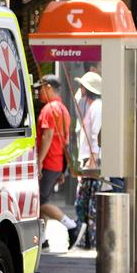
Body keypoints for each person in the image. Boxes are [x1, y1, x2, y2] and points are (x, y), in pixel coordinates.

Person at [34, 74, 80, 247]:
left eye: (40, 88)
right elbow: (65, 140)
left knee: (41, 202)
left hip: (48, 162)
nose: (38, 92)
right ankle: (43, 239)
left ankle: (72, 226)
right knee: (42, 200)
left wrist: (39, 161)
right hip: (57, 162)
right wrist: (62, 169)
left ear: (48, 87)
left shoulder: (49, 109)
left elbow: (47, 136)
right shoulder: (63, 109)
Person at [72, 71, 103, 249]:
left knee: (88, 203)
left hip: (92, 160)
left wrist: (93, 160)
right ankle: (87, 239)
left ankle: (90, 239)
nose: (80, 88)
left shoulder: (97, 107)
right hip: (88, 159)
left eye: (83, 86)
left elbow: (96, 136)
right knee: (83, 203)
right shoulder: (91, 105)